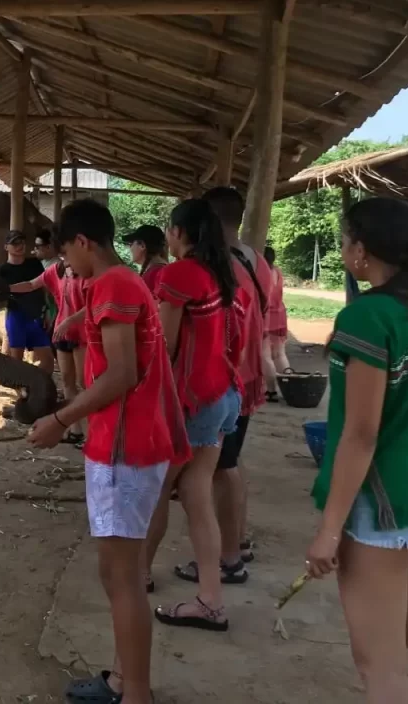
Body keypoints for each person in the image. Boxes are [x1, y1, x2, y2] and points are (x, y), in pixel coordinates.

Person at [28, 198, 190, 704]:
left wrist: (60, 419)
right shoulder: (120, 283)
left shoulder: (116, 285)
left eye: (67, 254)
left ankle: (135, 691)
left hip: (125, 446)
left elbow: (123, 374)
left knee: (122, 577)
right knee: (116, 572)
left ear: (83, 242)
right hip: (129, 442)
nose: (66, 267)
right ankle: (124, 678)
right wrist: (78, 316)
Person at [307, 197, 408, 704]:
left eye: (346, 240)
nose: (345, 248)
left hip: (383, 503)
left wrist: (328, 531)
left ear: (361, 251)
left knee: (380, 665)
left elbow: (360, 434)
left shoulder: (366, 318)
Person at [143, 199, 248, 632]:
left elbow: (163, 347)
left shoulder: (180, 273)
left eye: (170, 228)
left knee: (156, 489)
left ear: (179, 232)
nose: (168, 235)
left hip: (193, 402)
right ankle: (210, 598)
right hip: (223, 395)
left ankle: (138, 574)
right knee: (197, 495)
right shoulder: (223, 273)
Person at [203, 185, 271, 568]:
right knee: (229, 462)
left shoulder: (218, 265)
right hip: (247, 375)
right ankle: (238, 541)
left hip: (228, 377)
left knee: (221, 468)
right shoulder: (254, 258)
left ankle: (227, 558)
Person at [9, 252, 87, 445]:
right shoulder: (56, 271)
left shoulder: (86, 273)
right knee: (68, 382)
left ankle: (93, 431)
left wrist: (70, 321)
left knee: (84, 383)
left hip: (81, 334)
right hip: (62, 334)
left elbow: (92, 304)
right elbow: (31, 285)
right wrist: (6, 288)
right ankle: (75, 429)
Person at [0, 230, 54, 374]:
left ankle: (38, 387)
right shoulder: (3, 270)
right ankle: (22, 392)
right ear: (6, 247)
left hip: (36, 316)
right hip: (16, 316)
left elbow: (44, 287)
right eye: (14, 243)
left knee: (48, 360)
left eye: (21, 242)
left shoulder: (35, 264)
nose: (19, 245)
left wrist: (48, 311)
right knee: (17, 361)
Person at [262, 246, 292, 402]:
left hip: (267, 316)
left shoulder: (263, 273)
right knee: (280, 353)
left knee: (265, 355)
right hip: (280, 314)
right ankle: (291, 385)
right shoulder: (278, 272)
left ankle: (271, 391)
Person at [122, 224, 169, 293]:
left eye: (131, 244)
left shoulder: (153, 273)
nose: (130, 248)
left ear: (142, 245)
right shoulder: (160, 269)